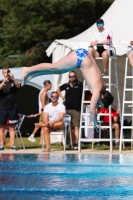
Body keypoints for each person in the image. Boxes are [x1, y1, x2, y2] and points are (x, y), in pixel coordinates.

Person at [22, 48, 113, 130]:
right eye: (100, 103)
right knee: (54, 67)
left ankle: (31, 73)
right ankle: (27, 69)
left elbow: (95, 106)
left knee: (57, 70)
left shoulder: (103, 86)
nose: (98, 104)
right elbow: (92, 109)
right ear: (102, 97)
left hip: (83, 56)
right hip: (80, 58)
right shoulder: (98, 89)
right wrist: (96, 123)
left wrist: (94, 120)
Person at [56, 71, 83, 150]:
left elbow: (88, 88)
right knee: (69, 128)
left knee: (76, 127)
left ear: (76, 76)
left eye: (73, 76)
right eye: (70, 76)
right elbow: (57, 90)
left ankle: (76, 143)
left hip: (76, 109)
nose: (72, 78)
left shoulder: (80, 85)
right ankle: (72, 143)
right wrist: (63, 97)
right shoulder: (66, 85)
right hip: (66, 108)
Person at [0, 67, 21, 150]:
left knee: (12, 126)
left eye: (8, 72)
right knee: (2, 127)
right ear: (2, 73)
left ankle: (12, 144)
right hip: (2, 107)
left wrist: (13, 78)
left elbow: (18, 86)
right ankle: (1, 144)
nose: (6, 73)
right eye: (5, 72)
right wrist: (5, 81)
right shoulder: (1, 82)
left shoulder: (13, 82)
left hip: (13, 107)